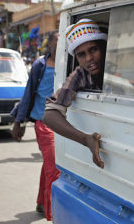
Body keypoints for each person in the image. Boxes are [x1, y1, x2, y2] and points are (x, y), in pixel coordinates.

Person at [43, 19, 107, 169]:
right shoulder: (80, 75)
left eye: (93, 50)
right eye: (81, 55)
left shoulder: (119, 66)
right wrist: (86, 140)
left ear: (103, 48)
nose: (89, 58)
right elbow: (50, 114)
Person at [10, 30, 60, 221]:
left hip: (62, 123)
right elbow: (28, 94)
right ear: (50, 45)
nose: (61, 44)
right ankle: (52, 214)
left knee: (49, 165)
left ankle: (41, 202)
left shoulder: (68, 63)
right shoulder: (40, 65)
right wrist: (18, 122)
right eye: (57, 41)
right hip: (43, 123)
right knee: (54, 168)